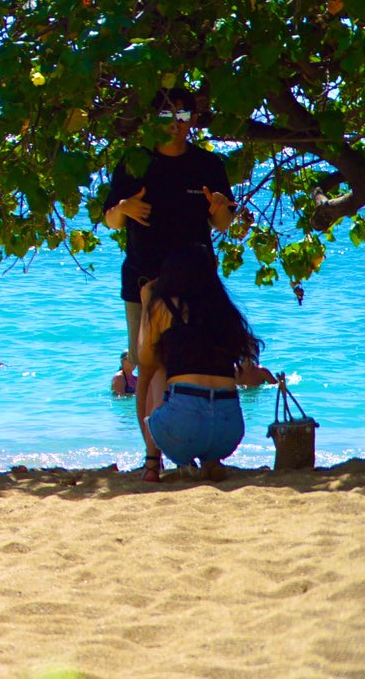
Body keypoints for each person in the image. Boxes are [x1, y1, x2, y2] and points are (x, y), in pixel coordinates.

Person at [102, 86, 235, 467]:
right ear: (152, 121)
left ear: (193, 120)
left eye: (181, 116)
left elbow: (222, 223)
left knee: (198, 363)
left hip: (198, 284)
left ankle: (204, 449)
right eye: (165, 115)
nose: (174, 124)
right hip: (143, 280)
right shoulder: (134, 163)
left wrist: (219, 208)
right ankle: (152, 456)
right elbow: (109, 218)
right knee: (150, 366)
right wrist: (124, 208)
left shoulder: (209, 165)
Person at [134, 250, 263, 482]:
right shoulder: (224, 310)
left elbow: (144, 359)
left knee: (152, 371)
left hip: (183, 428)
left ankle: (152, 464)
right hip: (228, 434)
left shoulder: (163, 305)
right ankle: (211, 461)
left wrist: (146, 304)